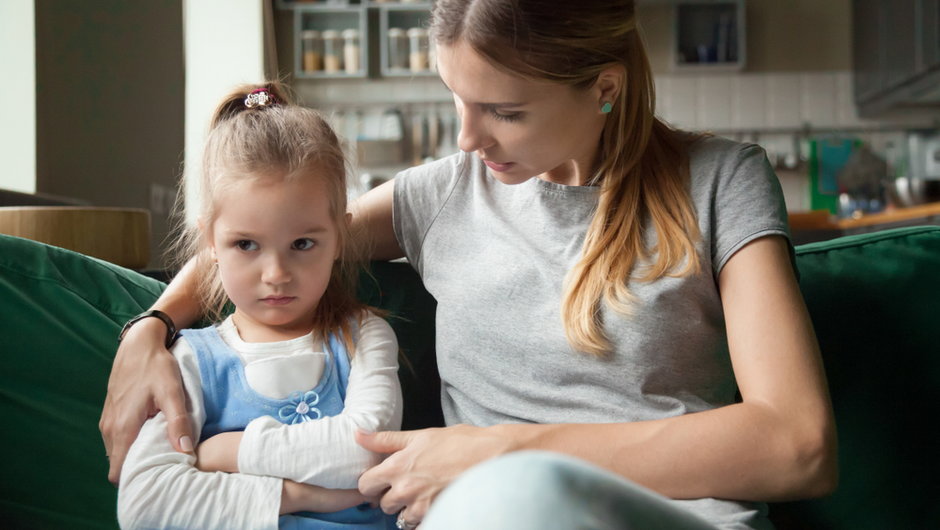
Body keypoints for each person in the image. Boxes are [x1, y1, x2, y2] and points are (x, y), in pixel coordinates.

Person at [102, 1, 838, 528]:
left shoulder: (721, 182)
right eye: (457, 98)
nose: (468, 138)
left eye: (504, 111)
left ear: (604, 88)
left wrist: (502, 454)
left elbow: (798, 445)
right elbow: (271, 239)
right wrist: (151, 328)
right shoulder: (442, 196)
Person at [115, 83, 402, 529]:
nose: (276, 274)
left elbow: (368, 448)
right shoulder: (191, 358)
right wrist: (301, 496)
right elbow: (145, 503)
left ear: (339, 237)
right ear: (210, 242)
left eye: (302, 243)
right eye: (246, 244)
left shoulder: (363, 336)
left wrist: (231, 452)